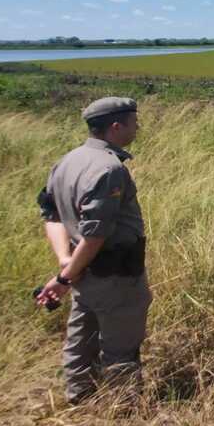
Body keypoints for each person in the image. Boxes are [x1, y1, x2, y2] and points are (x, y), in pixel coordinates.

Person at [35, 97, 152, 404]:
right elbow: (96, 234)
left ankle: (78, 397)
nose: (137, 127)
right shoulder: (109, 169)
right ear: (116, 127)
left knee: (80, 339)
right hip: (113, 273)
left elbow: (51, 215)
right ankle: (122, 411)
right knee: (121, 346)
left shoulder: (67, 160)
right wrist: (63, 279)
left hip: (83, 271)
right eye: (133, 122)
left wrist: (66, 264)